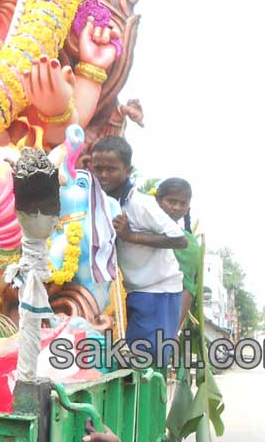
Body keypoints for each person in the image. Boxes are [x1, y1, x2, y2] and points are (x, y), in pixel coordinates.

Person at [89, 136, 186, 365]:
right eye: (98, 168)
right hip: (135, 291)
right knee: (134, 359)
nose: (103, 175)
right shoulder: (102, 202)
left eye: (111, 169)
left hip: (158, 292)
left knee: (146, 360)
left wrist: (132, 236)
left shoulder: (140, 203)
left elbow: (179, 239)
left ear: (127, 169)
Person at [154, 178, 201, 334]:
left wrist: (173, 331)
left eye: (183, 204)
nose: (177, 207)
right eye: (172, 201)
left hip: (165, 313)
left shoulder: (189, 243)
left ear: (188, 208)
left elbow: (187, 288)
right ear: (158, 201)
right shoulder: (140, 228)